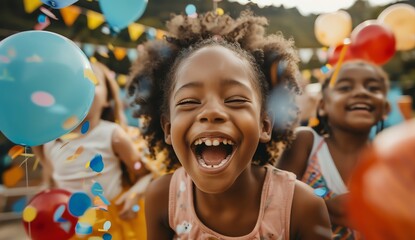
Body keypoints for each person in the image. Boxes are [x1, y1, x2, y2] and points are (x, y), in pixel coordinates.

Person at [128, 11, 331, 239]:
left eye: (235, 99)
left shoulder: (301, 206)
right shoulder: (163, 198)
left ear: (264, 125)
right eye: (189, 101)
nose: (212, 112)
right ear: (167, 128)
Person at [32, 60, 151, 240]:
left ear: (107, 99)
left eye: (93, 82)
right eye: (74, 83)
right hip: (70, 226)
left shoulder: (113, 135)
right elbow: (51, 184)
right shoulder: (50, 142)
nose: (82, 88)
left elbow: (144, 174)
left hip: (109, 225)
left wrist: (134, 195)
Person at [276, 60, 391, 239]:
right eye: (345, 88)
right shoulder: (306, 143)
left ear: (385, 108)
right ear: (322, 106)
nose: (361, 92)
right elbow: (275, 205)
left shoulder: (389, 159)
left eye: (373, 88)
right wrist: (327, 209)